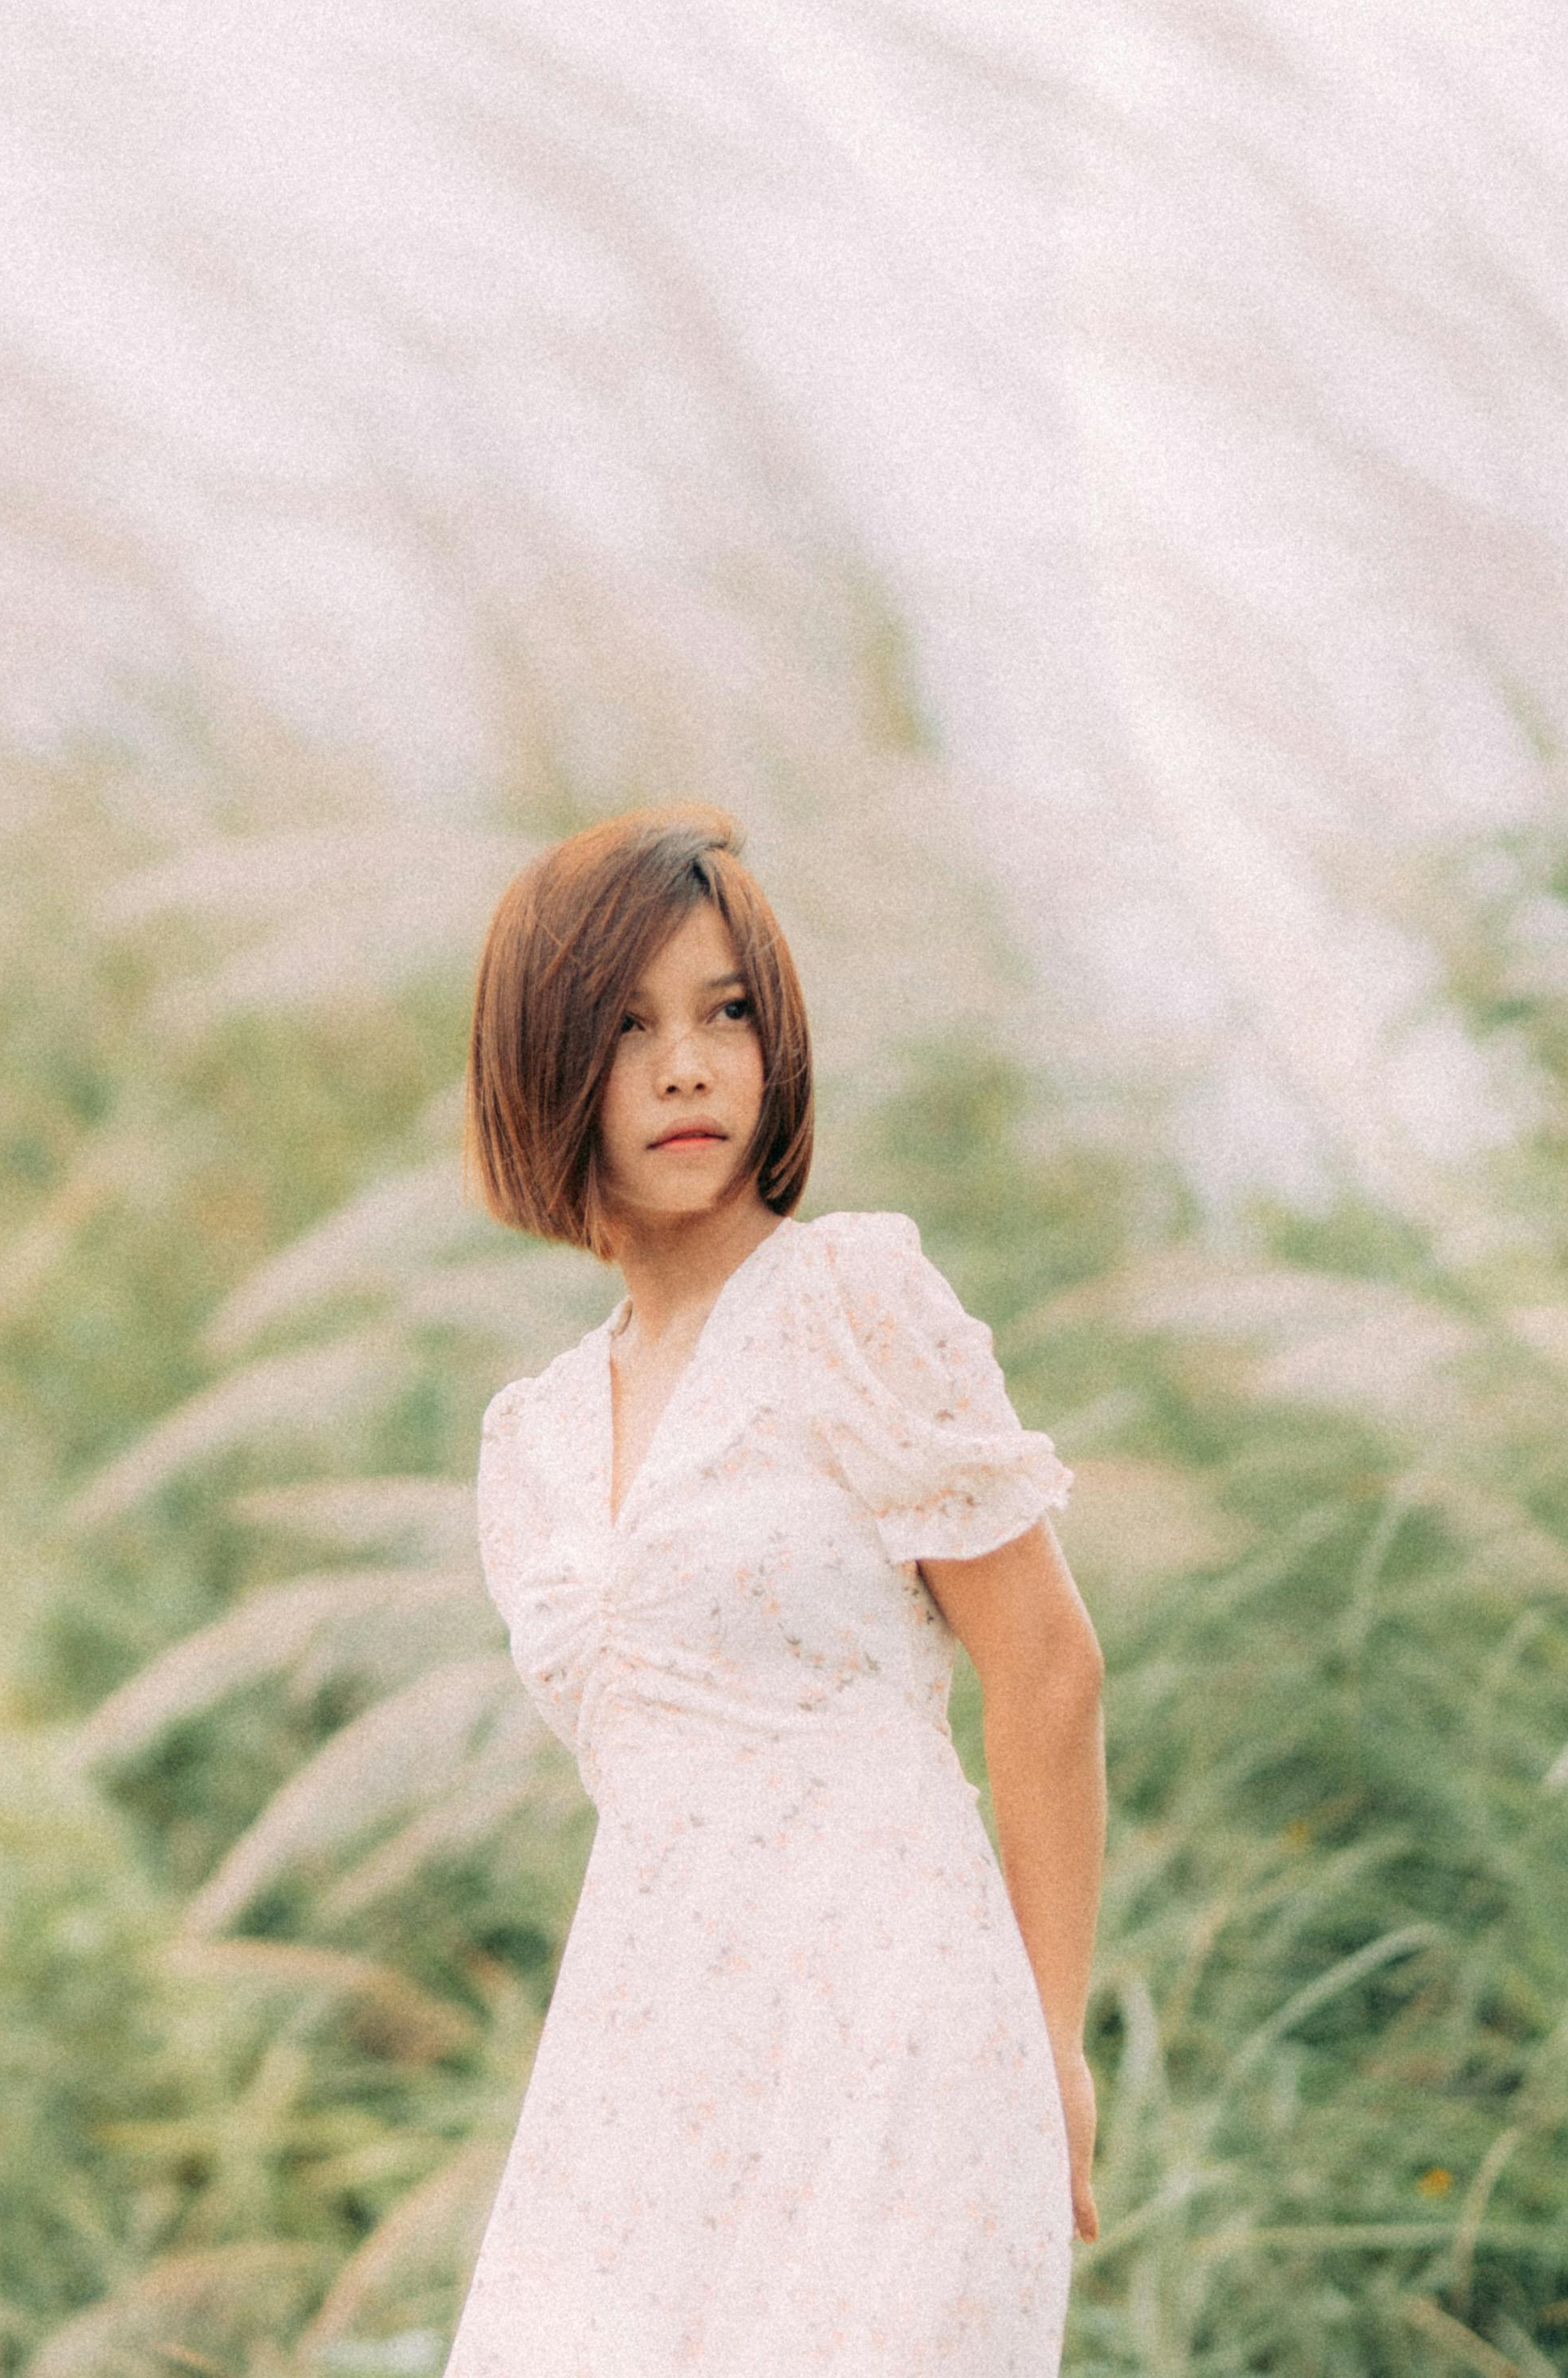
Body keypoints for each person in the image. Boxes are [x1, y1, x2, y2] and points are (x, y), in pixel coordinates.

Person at [442, 803, 1106, 2377]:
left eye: (727, 1010)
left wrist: (1047, 2039)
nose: (689, 1065)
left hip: (897, 2029)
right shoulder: (529, 1439)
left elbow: (1051, 1671)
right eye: (627, 1026)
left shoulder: (850, 1299)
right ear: (544, 1067)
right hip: (642, 2071)